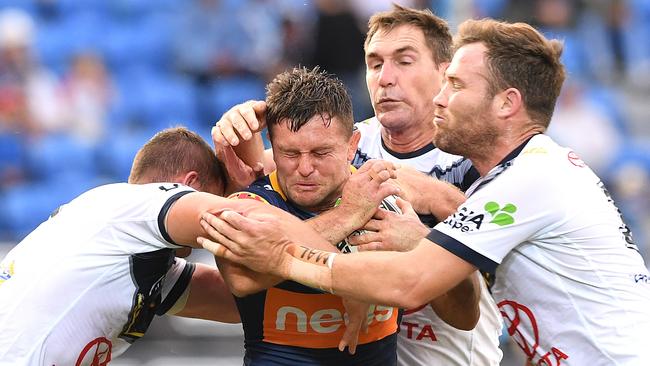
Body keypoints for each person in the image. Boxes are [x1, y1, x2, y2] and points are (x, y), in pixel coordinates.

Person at [200, 19, 650, 365]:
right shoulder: (510, 172)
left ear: (507, 103)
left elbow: (412, 280)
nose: (440, 98)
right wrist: (247, 122)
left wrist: (284, 257)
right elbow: (282, 168)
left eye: (454, 85)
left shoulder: (529, 179)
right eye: (375, 63)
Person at [211, 5, 502, 366]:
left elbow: (482, 283)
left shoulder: (483, 160)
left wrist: (429, 236)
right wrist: (239, 126)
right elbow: (263, 173)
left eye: (404, 61)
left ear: (446, 73)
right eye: (375, 63)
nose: (386, 77)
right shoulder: (339, 141)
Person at [0, 126, 328, 365]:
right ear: (187, 186)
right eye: (217, 196)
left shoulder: (130, 248)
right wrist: (346, 220)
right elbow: (248, 221)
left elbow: (240, 303)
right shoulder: (140, 206)